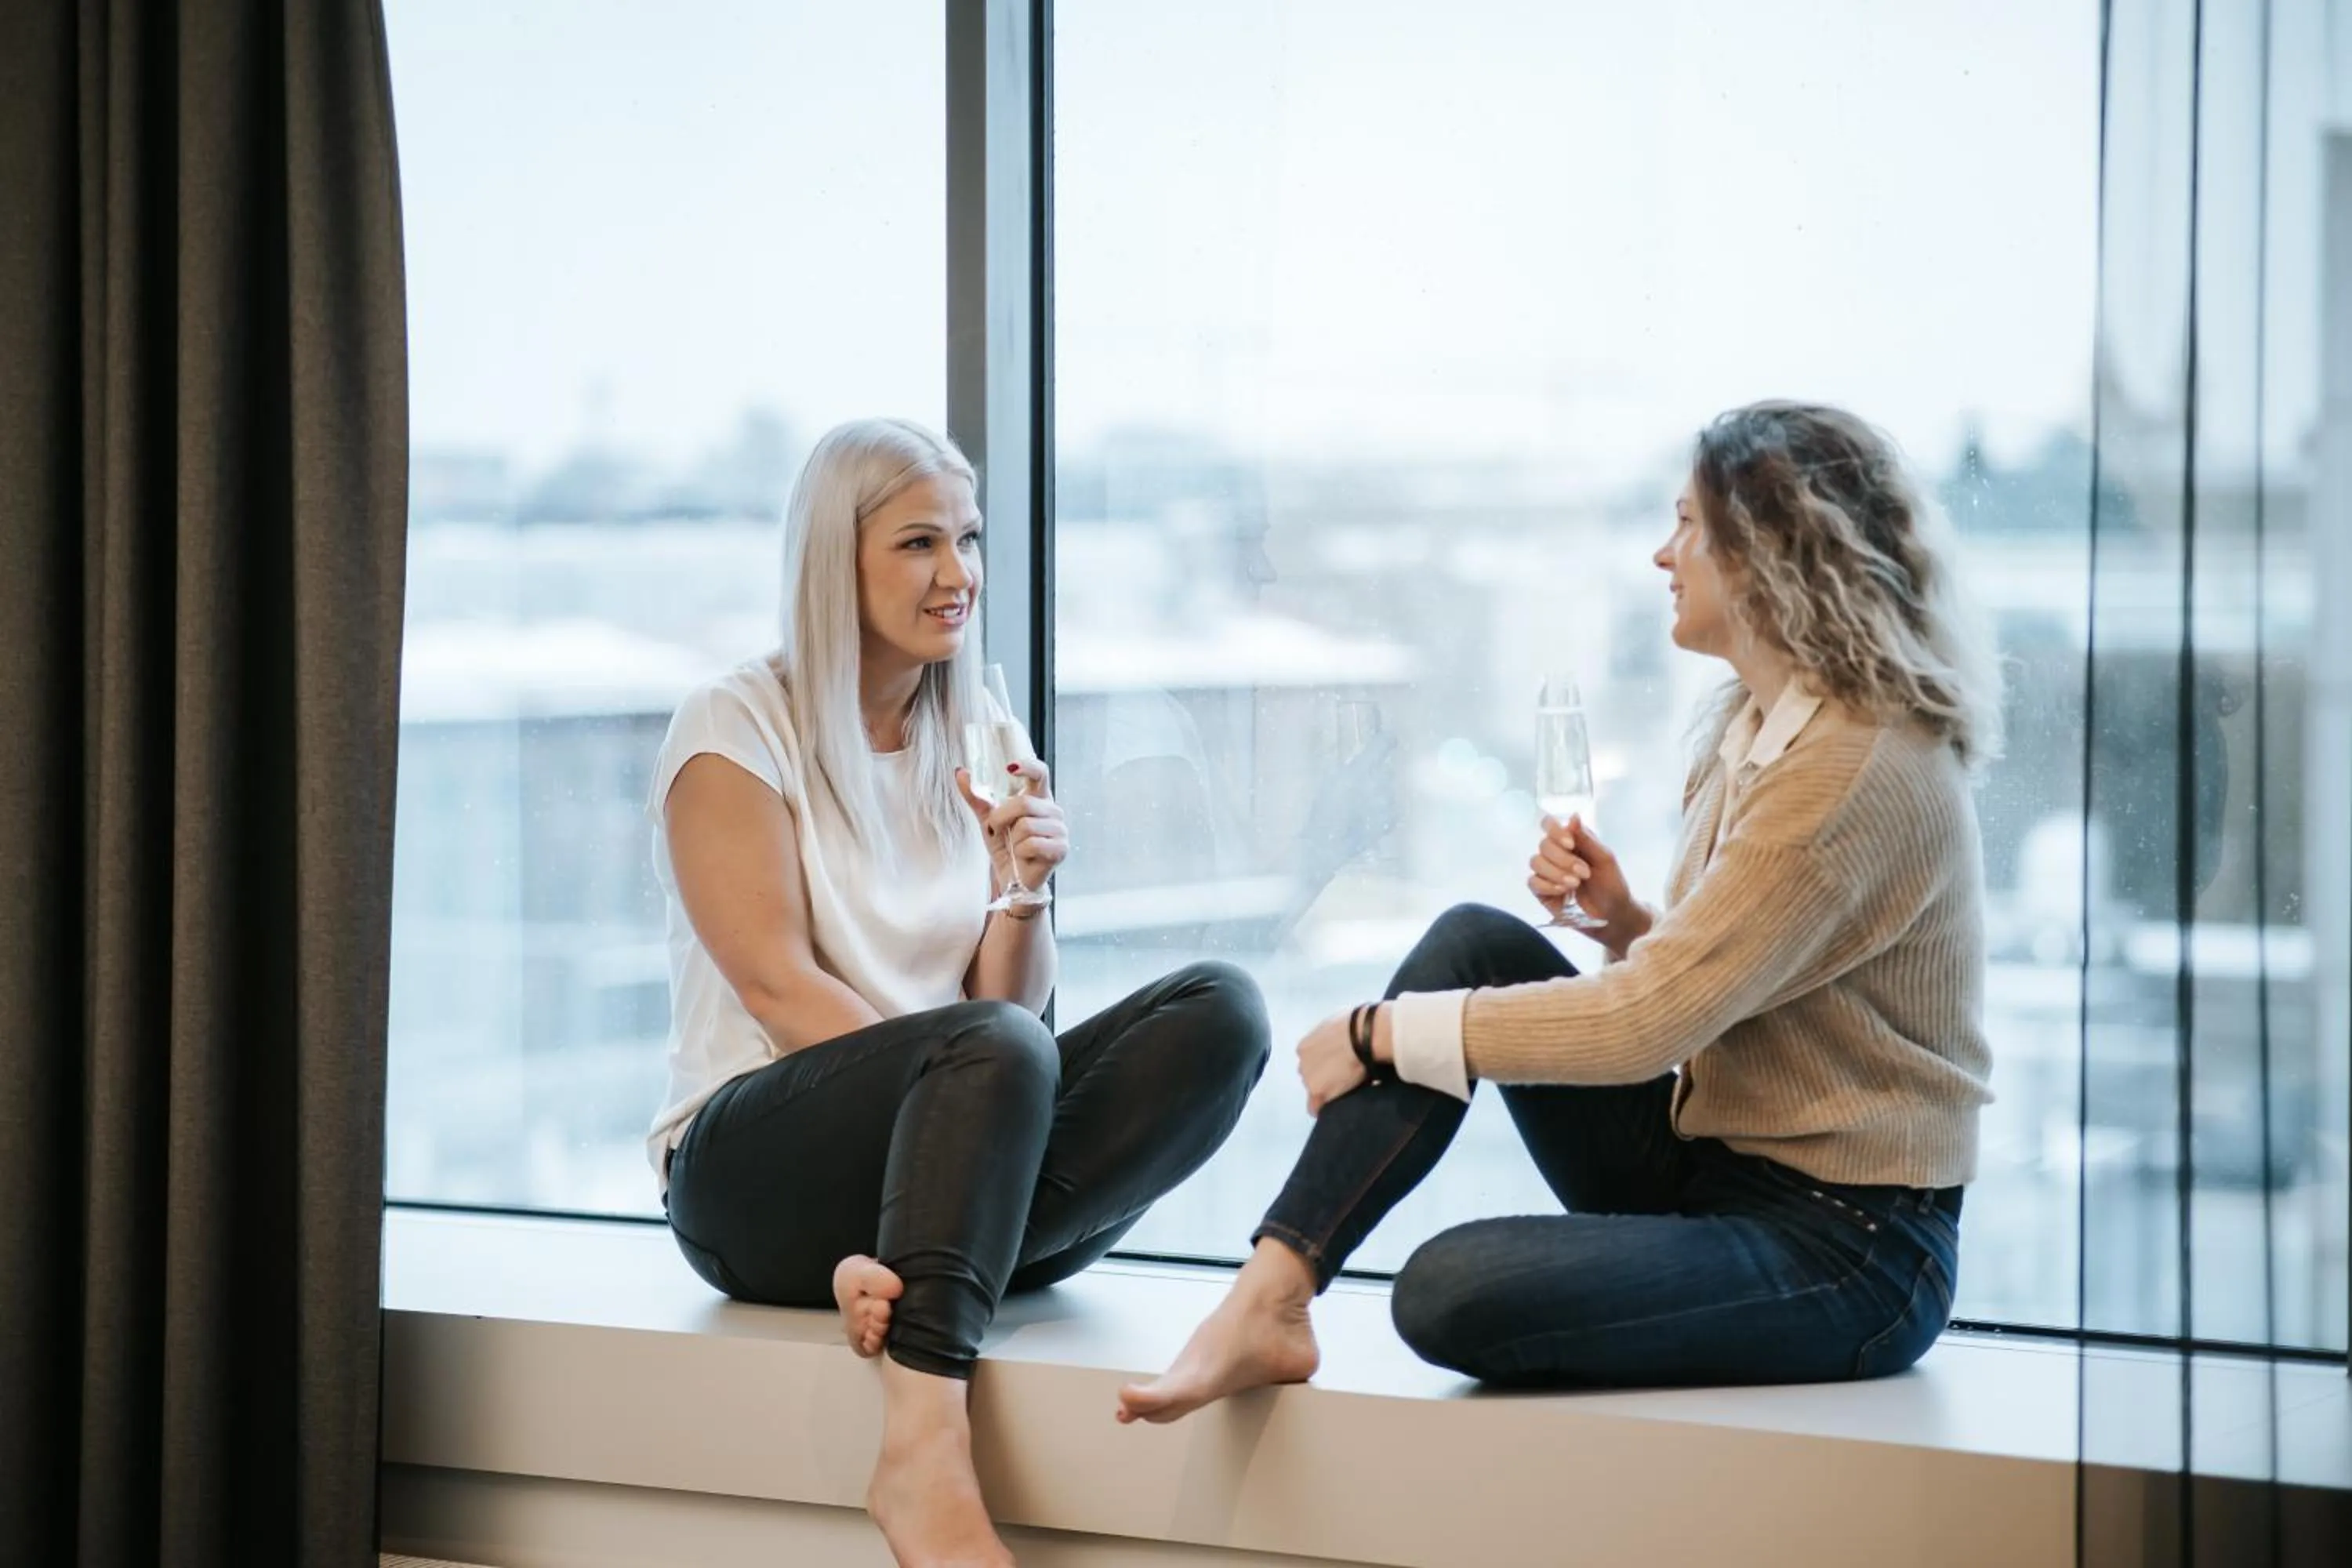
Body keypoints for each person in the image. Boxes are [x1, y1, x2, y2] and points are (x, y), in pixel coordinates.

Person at [1118, 400, 2001, 1421]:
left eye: (1688, 527)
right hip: (1713, 1165)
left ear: (1763, 557)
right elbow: (1741, 981)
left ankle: (1268, 1302)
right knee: (1475, 942)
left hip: (1851, 1249)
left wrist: (1381, 1033)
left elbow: (1649, 1023)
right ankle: (1270, 1295)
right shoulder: (1754, 724)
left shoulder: (1854, 767)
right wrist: (1627, 920)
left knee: (1447, 1289)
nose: (1663, 555)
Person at [647, 417, 1271, 1566]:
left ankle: (912, 1259)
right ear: (837, 560)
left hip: (941, 1141)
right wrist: (954, 1096)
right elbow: (782, 993)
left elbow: (1010, 1006)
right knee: (994, 1053)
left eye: (970, 540)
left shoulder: (975, 727)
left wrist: (1019, 889)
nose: (961, 575)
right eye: (921, 543)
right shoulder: (736, 726)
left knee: (1220, 1012)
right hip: (751, 1167)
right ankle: (922, 1448)